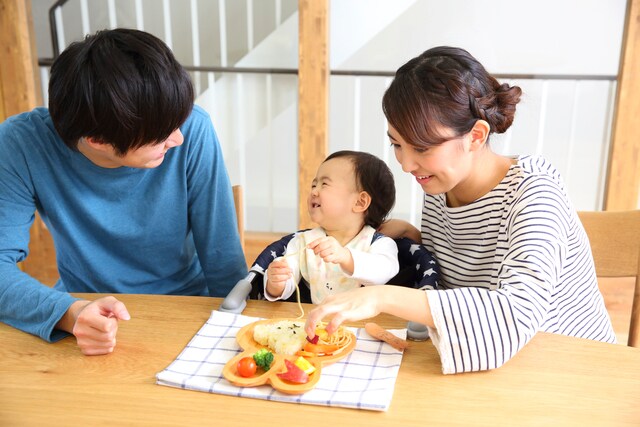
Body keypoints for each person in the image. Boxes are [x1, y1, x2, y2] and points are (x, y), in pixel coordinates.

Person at [304, 46, 616, 374]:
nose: (406, 163)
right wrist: (417, 237)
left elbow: (514, 314)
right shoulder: (440, 185)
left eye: (422, 147)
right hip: (498, 369)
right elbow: (467, 273)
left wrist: (381, 298)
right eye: (397, 144)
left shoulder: (535, 194)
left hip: (573, 368)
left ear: (476, 136)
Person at [0, 29, 247, 355]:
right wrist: (69, 312)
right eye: (160, 135)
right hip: (84, 311)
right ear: (98, 140)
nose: (178, 139)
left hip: (187, 307)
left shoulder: (194, 127)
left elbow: (224, 263)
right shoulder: (21, 143)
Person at [262, 150, 400, 304]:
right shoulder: (304, 242)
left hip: (363, 324)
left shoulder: (379, 244)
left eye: (324, 184)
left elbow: (383, 272)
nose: (314, 191)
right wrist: (276, 283)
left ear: (359, 202)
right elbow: (287, 279)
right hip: (317, 324)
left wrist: (346, 257)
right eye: (314, 184)